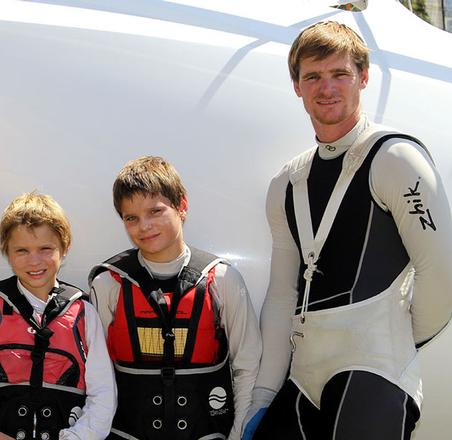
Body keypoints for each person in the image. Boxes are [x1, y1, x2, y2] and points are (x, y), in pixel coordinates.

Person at [242, 21, 452, 440]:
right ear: (297, 86)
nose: (327, 87)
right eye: (313, 76)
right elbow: (284, 293)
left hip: (374, 369)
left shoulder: (396, 157)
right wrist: (264, 394)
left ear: (363, 77)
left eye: (340, 73)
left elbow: (443, 271)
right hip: (304, 374)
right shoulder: (286, 182)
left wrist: (389, 343)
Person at [89, 156, 261, 440]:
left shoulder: (222, 279)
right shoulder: (108, 283)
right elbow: (95, 375)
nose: (144, 226)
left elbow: (247, 365)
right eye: (131, 218)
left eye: (155, 211)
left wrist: (238, 434)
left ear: (182, 206)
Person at [0, 192, 116, 440]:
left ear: (64, 248)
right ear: (6, 251)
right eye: (22, 250)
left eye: (45, 249)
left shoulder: (84, 313)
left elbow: (103, 395)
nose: (34, 261)